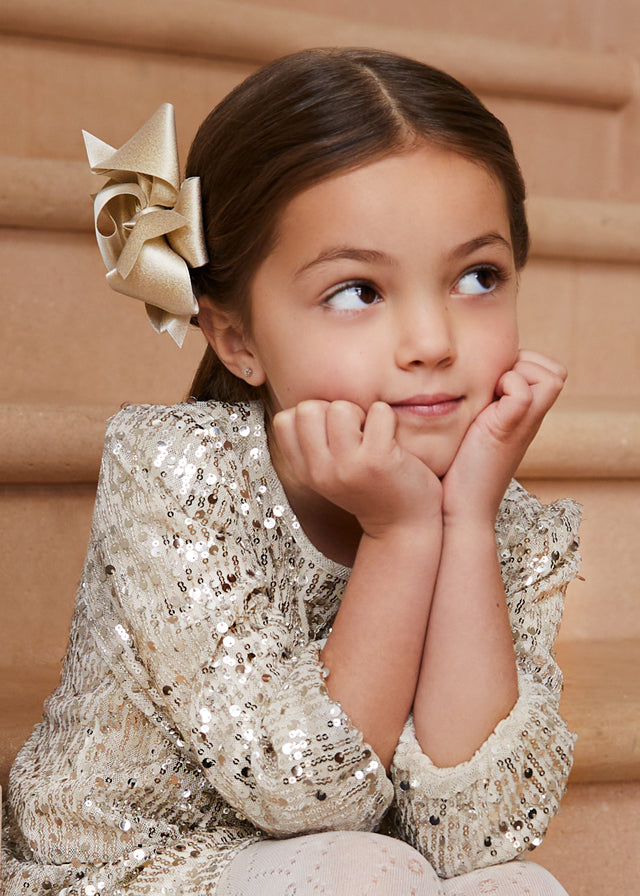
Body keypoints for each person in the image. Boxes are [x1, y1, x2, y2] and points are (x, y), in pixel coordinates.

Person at [2, 48, 582, 896]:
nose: (432, 342)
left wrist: (463, 523)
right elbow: (306, 793)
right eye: (357, 292)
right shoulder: (180, 468)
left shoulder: (504, 515)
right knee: (363, 865)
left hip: (365, 872)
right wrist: (400, 532)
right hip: (131, 865)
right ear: (237, 340)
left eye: (477, 276)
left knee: (520, 887)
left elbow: (474, 837)